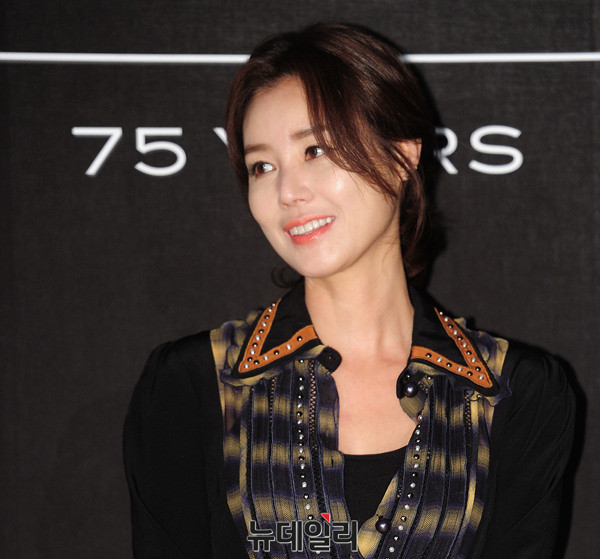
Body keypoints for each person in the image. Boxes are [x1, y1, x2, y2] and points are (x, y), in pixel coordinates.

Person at [124, 23, 575, 559]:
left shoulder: (515, 393)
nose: (287, 191)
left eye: (314, 150)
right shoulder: (192, 384)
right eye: (262, 166)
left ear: (402, 156)